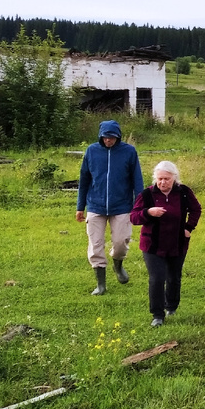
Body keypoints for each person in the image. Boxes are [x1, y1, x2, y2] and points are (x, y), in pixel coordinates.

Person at [76, 120, 145, 296]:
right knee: (95, 244)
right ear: (101, 136)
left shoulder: (129, 152)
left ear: (118, 137)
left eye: (112, 138)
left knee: (121, 242)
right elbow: (84, 180)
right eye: (106, 138)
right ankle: (101, 284)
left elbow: (137, 180)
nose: (109, 141)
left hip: (122, 205)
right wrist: (80, 206)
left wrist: (140, 204)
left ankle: (118, 265)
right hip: (95, 205)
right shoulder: (92, 151)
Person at [130, 161, 202, 327]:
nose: (163, 182)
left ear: (174, 178)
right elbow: (133, 217)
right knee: (157, 278)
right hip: (152, 244)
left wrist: (188, 227)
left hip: (177, 242)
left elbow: (196, 209)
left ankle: (171, 307)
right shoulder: (147, 195)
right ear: (155, 178)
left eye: (167, 179)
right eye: (160, 179)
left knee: (174, 277)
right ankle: (157, 315)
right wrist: (149, 212)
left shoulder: (183, 192)